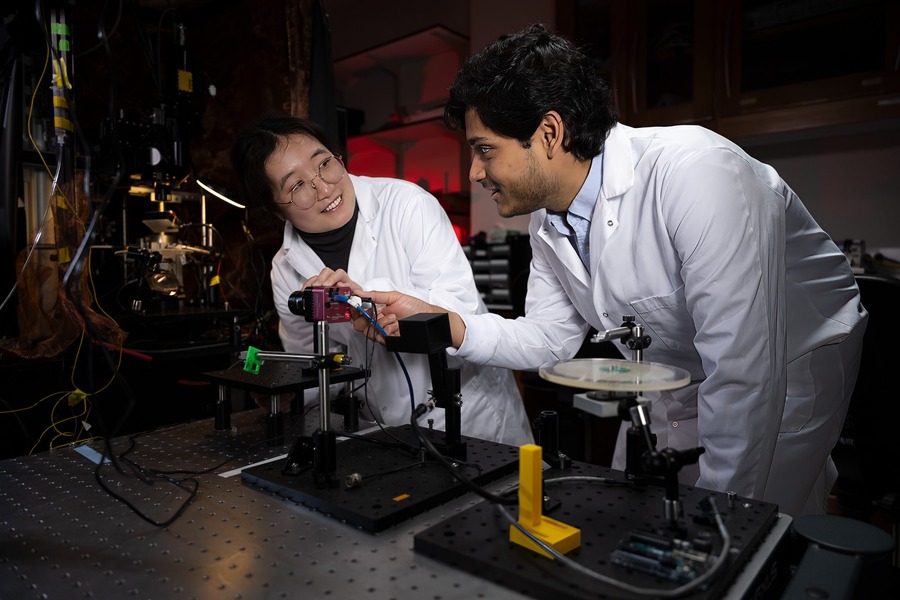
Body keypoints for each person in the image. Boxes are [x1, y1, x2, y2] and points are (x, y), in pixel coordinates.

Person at [359, 24, 867, 517]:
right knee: (642, 508)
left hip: (792, 362)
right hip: (675, 372)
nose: (474, 172)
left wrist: (719, 530)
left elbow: (743, 374)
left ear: (550, 132)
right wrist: (442, 320)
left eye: (485, 149)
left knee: (758, 522)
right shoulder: (549, 219)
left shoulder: (699, 174)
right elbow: (549, 340)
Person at [230, 114, 533, 447]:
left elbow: (460, 315)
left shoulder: (406, 205)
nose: (323, 187)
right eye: (297, 185)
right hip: (382, 428)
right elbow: (322, 366)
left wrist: (361, 296)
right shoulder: (286, 270)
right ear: (276, 210)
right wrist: (291, 392)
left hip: (471, 419)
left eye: (324, 164)